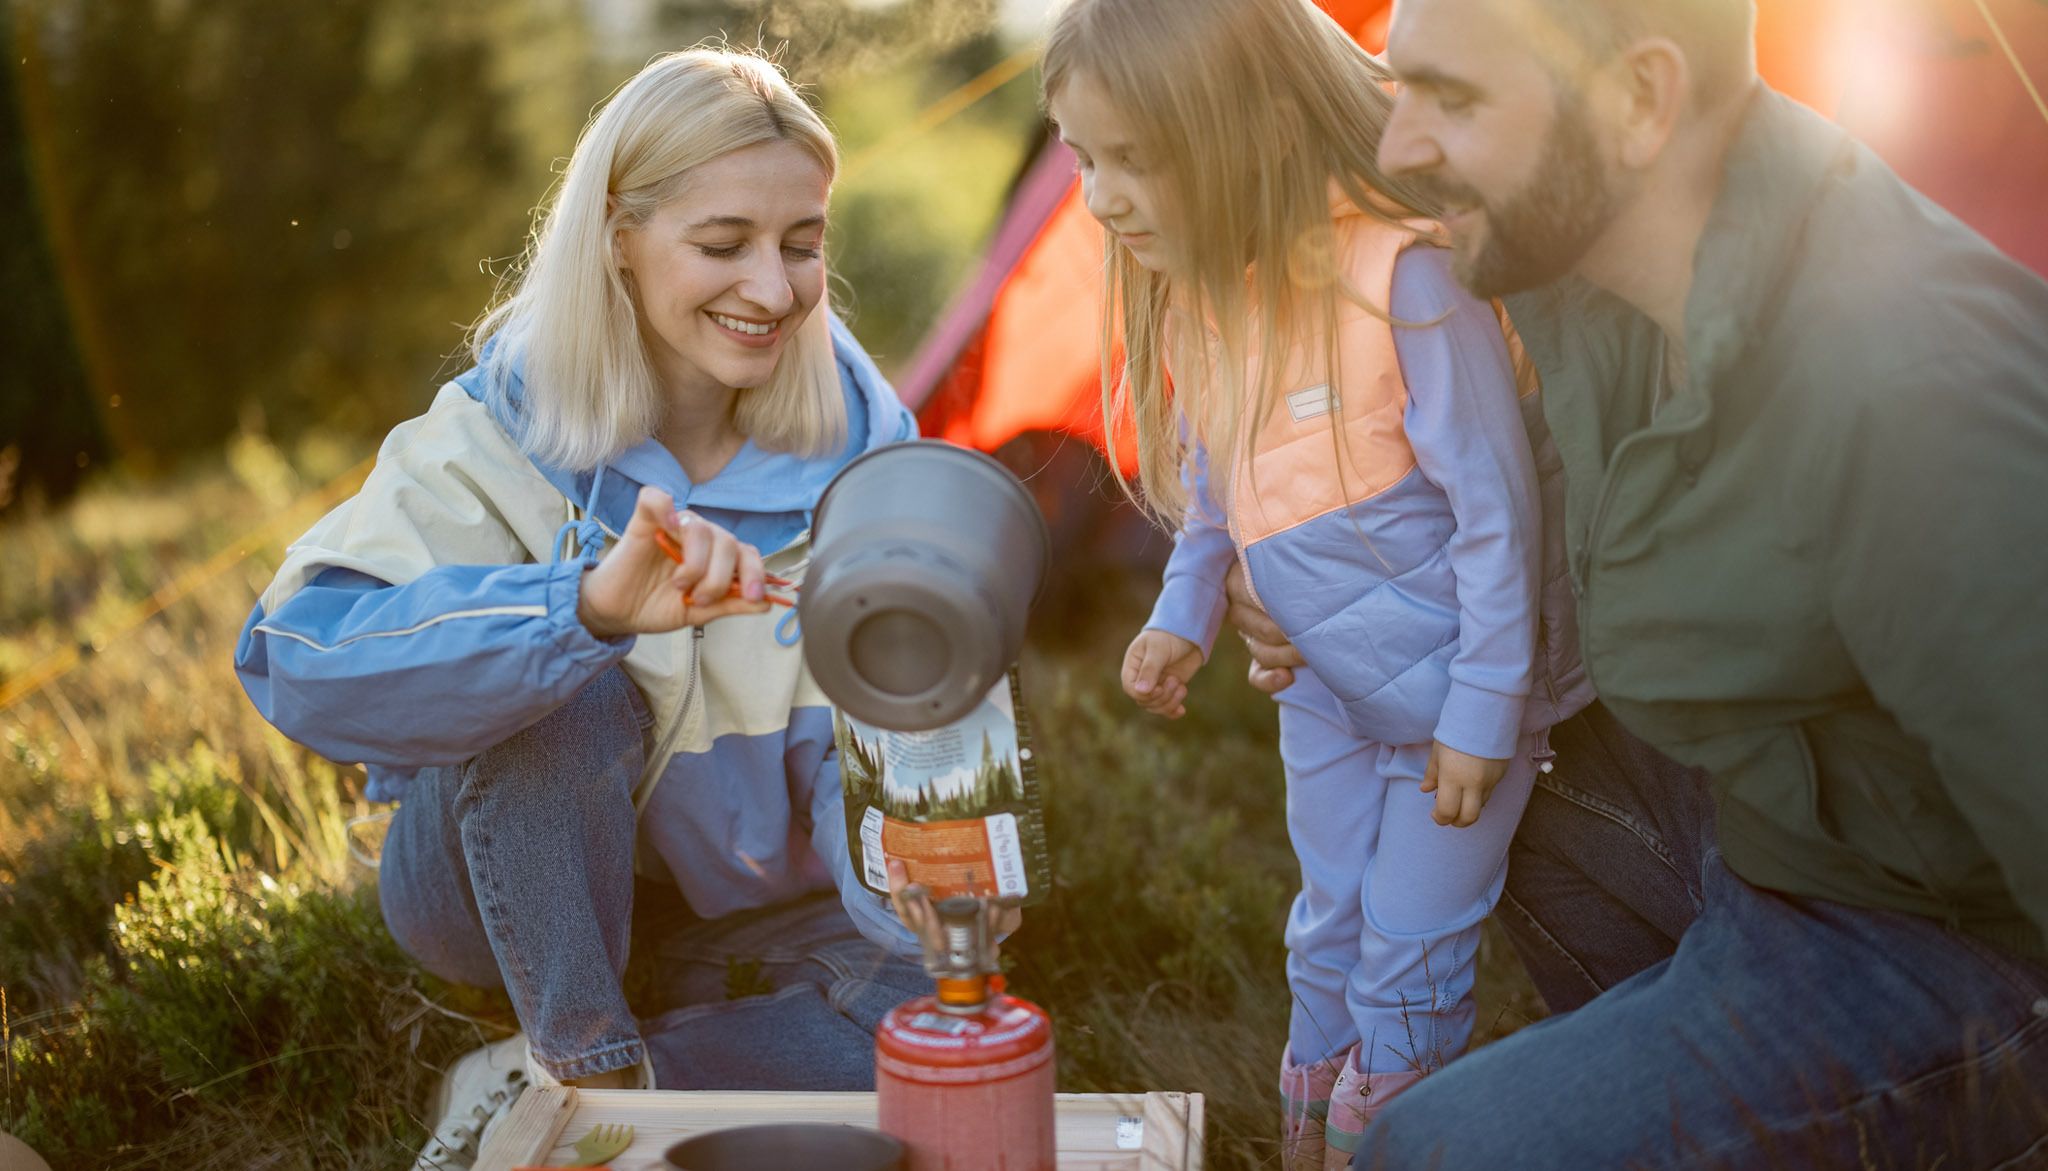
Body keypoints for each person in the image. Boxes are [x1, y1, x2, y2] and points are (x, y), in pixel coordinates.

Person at [1238, 0, 2048, 1165]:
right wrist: (1315, 591)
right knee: (1449, 733)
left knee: (1435, 1153)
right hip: (1779, 822)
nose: (1394, 148)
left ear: (1638, 101)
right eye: (1396, 86)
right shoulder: (1589, 277)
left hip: (1950, 944)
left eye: (1451, 100)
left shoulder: (1906, 393)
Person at [232, 48, 936, 1168]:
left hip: (755, 905)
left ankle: (554, 1088)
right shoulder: (499, 425)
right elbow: (290, 655)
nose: (772, 289)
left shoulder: (871, 451)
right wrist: (579, 612)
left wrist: (918, 890)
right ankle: (585, 1064)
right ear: (617, 237)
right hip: (505, 888)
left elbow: (885, 736)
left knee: (927, 1061)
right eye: (721, 244)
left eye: (802, 245)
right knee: (564, 691)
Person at [1042, 1, 1596, 1164]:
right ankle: (1312, 1143)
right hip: (1328, 698)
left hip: (1456, 702)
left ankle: (1392, 1138)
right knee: (1324, 936)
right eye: (1083, 157)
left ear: (1257, 132)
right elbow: (1215, 489)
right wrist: (1181, 615)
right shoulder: (1207, 295)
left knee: (1407, 955)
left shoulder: (1402, 278)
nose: (1099, 196)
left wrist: (1484, 709)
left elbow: (1501, 511)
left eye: (1136, 159)